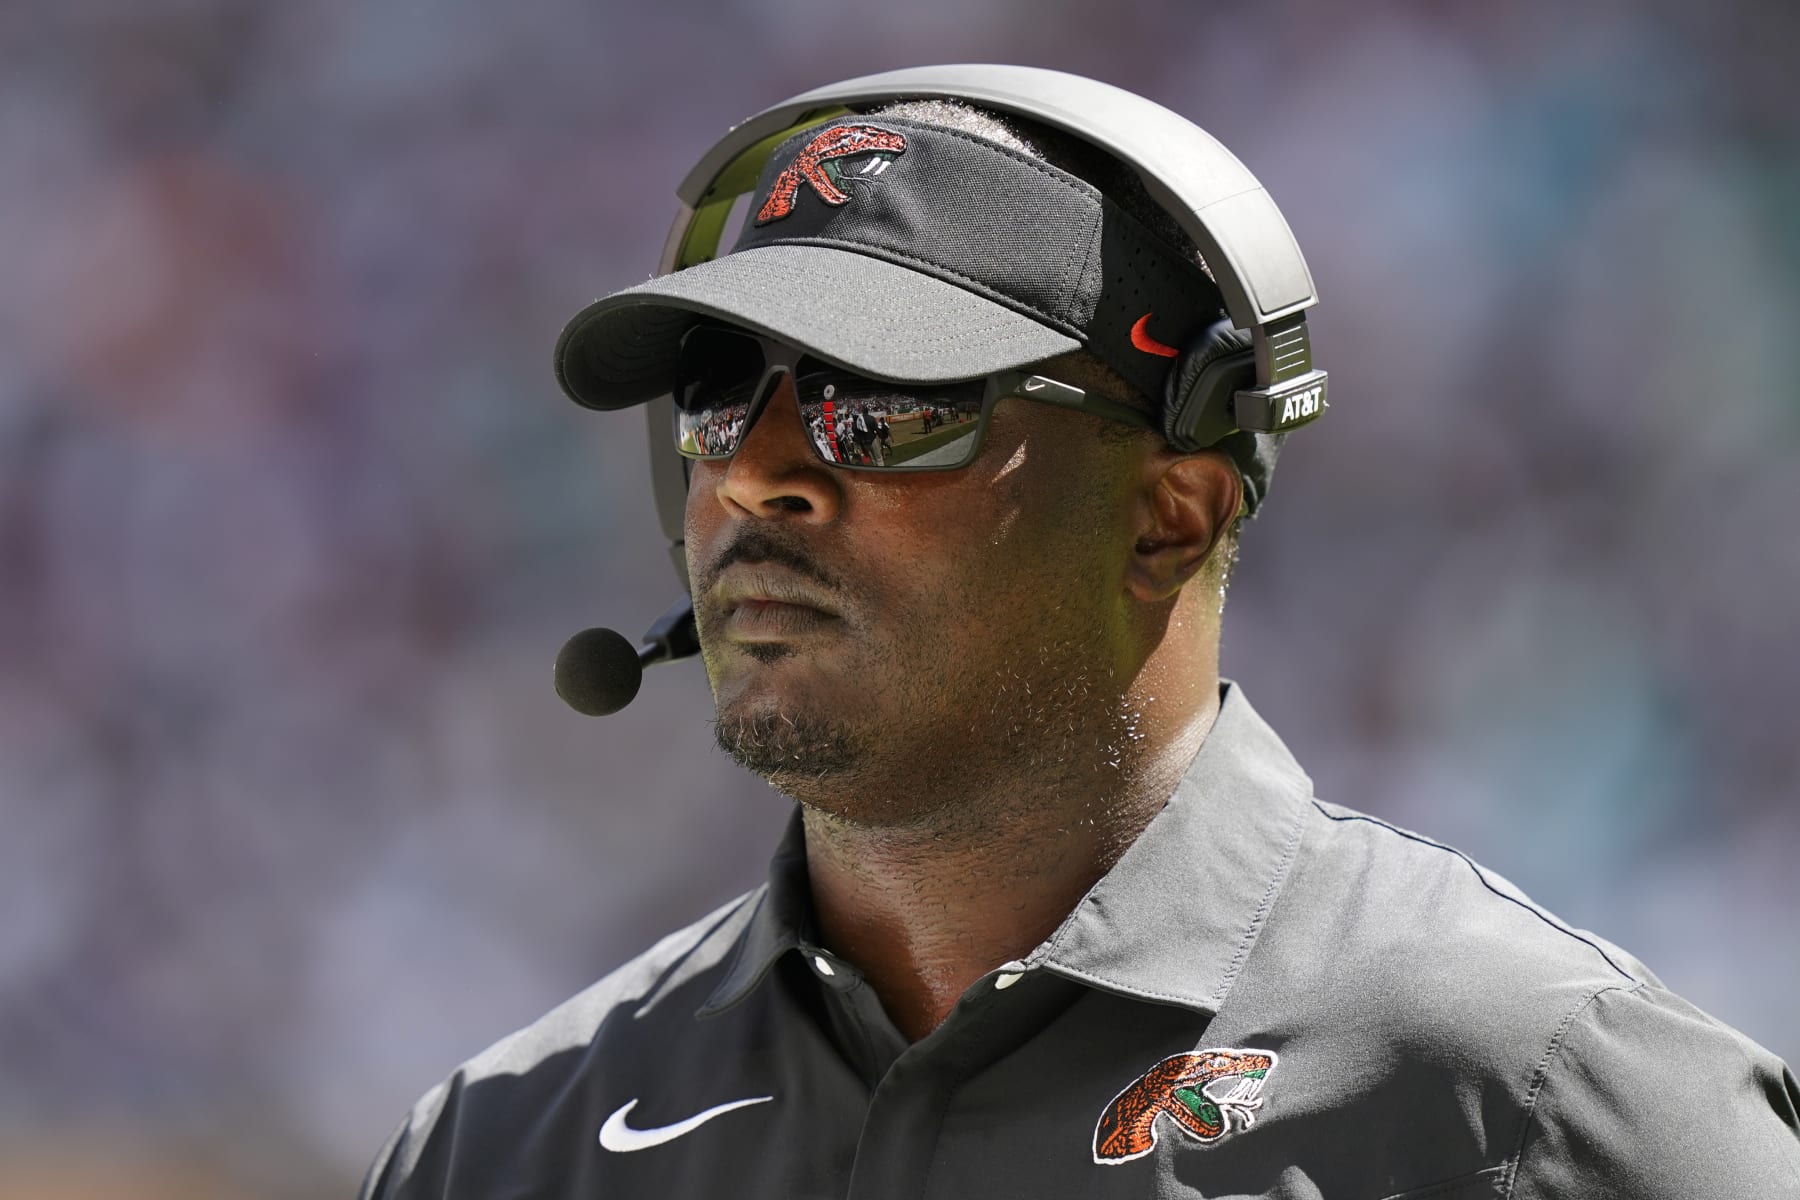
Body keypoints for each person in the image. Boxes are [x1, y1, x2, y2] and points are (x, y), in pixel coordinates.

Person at [360, 69, 1800, 1199]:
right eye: (722, 400)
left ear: (1169, 514)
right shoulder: (502, 1147)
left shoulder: (1546, 1095)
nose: (756, 471)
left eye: (889, 403)